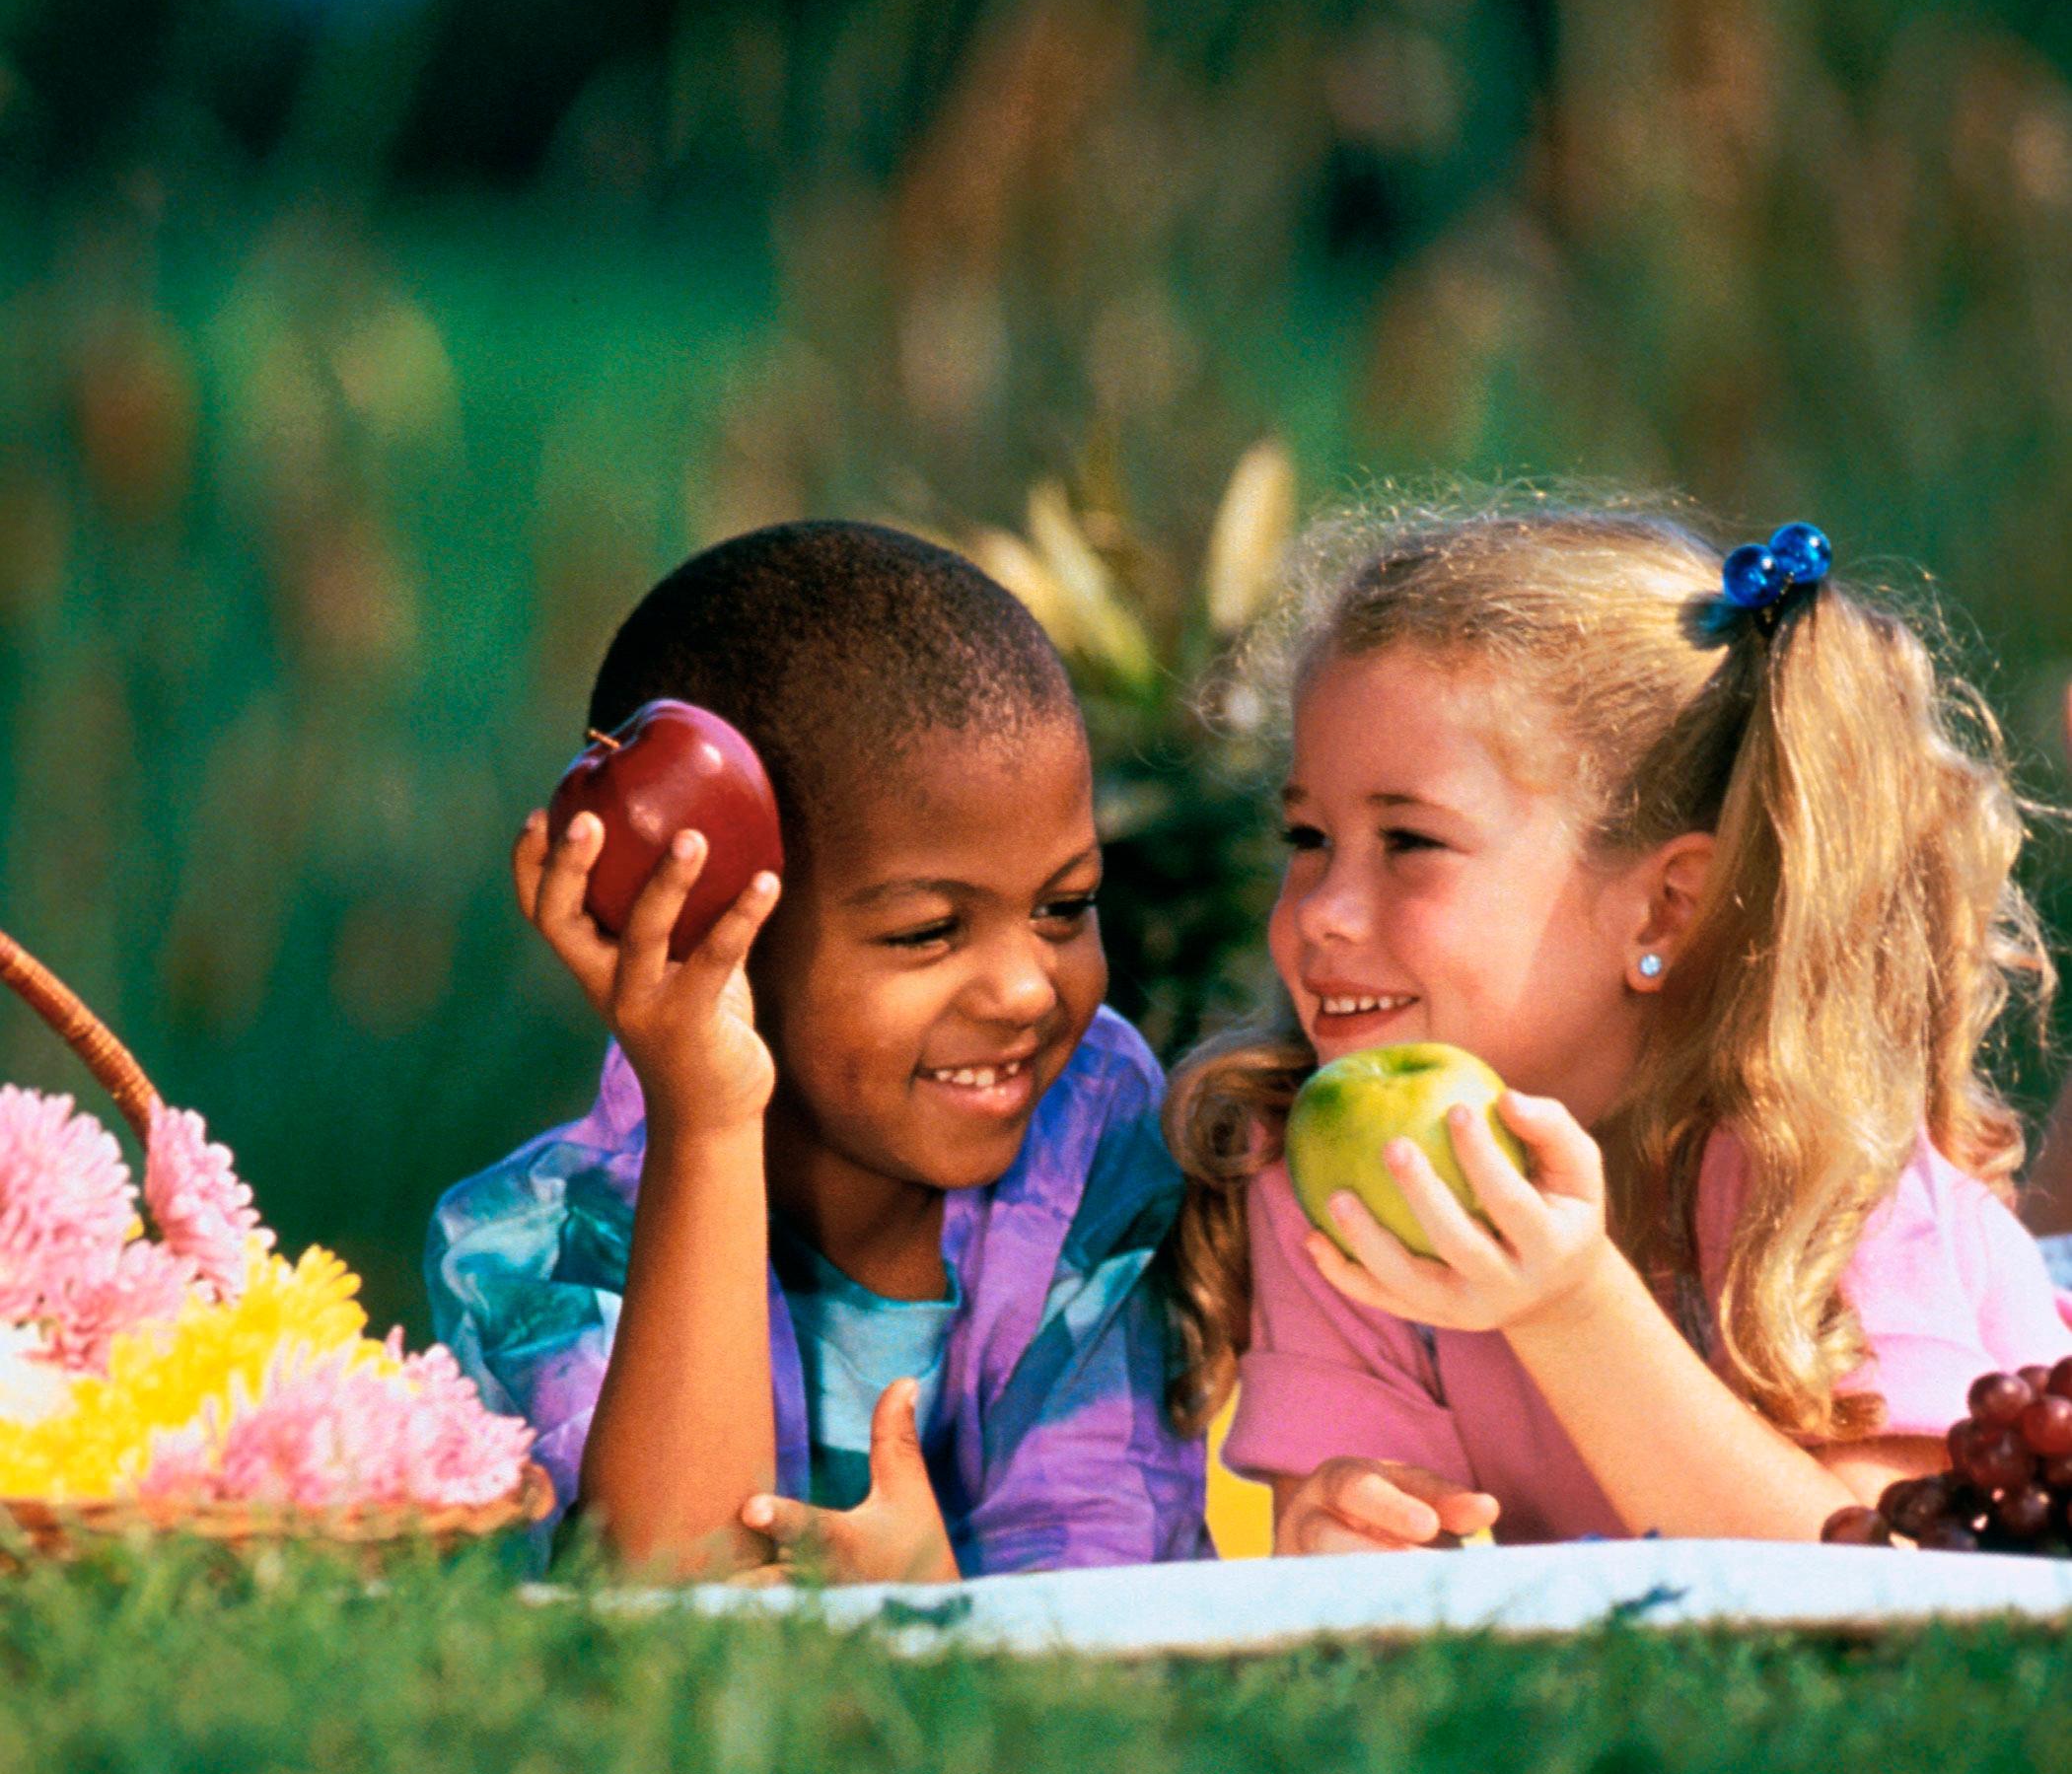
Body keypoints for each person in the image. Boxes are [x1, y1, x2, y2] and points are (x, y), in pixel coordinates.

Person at [1165, 501, 2069, 1555]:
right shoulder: (1329, 1183)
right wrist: (1341, 1535)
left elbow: (1880, 1579)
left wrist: (1571, 1305)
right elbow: (1390, 1593)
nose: (1320, 906)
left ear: (1662, 909)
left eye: (1407, 840)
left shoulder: (1824, 1164)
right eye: (1308, 837)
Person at [428, 521, 1206, 1580]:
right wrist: (706, 1120)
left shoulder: (1087, 1142)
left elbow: (1106, 1611)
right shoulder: (531, 1254)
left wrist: (934, 1612)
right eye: (928, 931)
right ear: (703, 924)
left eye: (1065, 906)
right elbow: (666, 1608)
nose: (1028, 989)